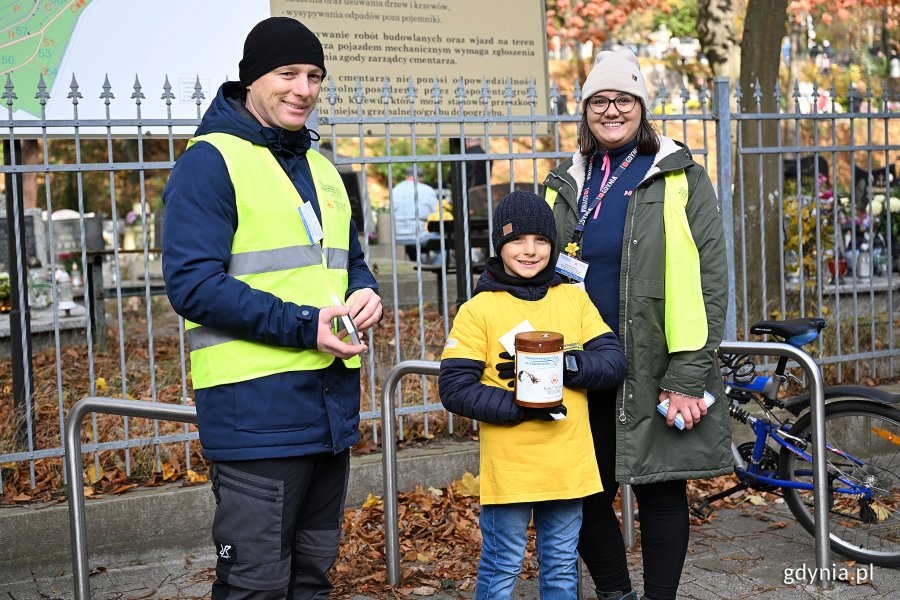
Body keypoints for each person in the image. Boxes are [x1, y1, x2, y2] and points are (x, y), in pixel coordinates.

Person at [161, 17, 382, 599]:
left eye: (314, 76)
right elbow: (193, 285)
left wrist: (367, 292)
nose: (303, 89)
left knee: (311, 578)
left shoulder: (321, 166)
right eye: (288, 74)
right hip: (254, 413)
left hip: (327, 409)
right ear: (252, 80)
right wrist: (307, 326)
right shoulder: (211, 161)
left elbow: (348, 260)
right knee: (256, 587)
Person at [541, 49, 731, 600]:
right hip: (581, 362)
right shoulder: (565, 182)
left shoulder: (679, 175)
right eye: (598, 101)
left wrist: (689, 373)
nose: (611, 110)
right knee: (581, 489)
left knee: (661, 490)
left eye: (623, 99)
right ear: (585, 111)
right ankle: (616, 592)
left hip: (656, 359)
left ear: (641, 107)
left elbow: (711, 280)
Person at [439, 191, 628, 599]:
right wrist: (519, 406)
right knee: (501, 565)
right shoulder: (479, 309)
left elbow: (614, 362)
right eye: (517, 240)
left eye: (541, 240)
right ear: (499, 245)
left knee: (561, 566)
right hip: (511, 468)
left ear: (553, 246)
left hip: (568, 465)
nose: (530, 250)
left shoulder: (573, 298)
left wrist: (570, 365)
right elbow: (455, 388)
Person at [390, 166, 440, 263]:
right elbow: (436, 213)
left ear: (406, 176)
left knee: (412, 246)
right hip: (421, 235)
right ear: (421, 178)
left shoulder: (395, 190)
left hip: (397, 236)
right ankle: (438, 271)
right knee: (444, 241)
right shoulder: (427, 189)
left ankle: (418, 266)